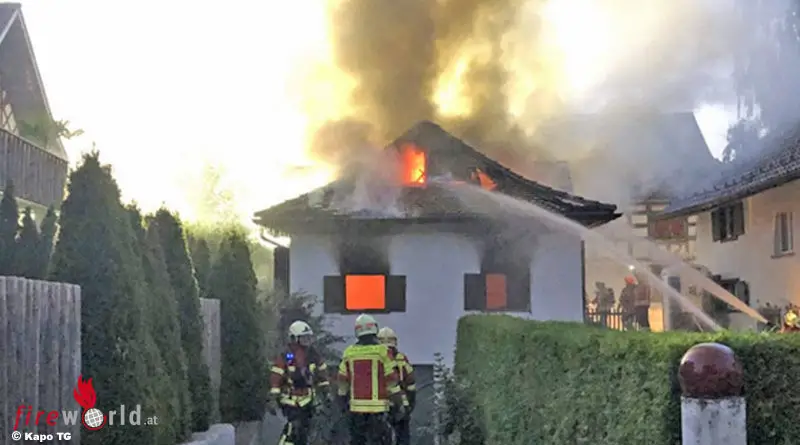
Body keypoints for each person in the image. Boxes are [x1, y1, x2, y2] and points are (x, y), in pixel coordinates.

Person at [338, 314, 405, 445]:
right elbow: (392, 381)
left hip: (356, 411)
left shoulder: (349, 353)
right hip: (378, 411)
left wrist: (342, 403)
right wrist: (399, 404)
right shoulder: (383, 351)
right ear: (375, 329)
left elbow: (342, 382)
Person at [269, 320, 330, 445]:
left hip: (307, 401)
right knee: (293, 430)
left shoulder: (313, 354)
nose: (307, 340)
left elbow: (322, 374)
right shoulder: (286, 356)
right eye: (303, 337)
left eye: (308, 337)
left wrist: (326, 392)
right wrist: (273, 398)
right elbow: (276, 377)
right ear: (294, 338)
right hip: (290, 401)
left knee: (304, 432)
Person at [378, 327, 416, 445]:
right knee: (402, 438)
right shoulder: (401, 359)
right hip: (401, 405)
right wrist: (410, 405)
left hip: (379, 406)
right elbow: (411, 383)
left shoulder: (376, 359)